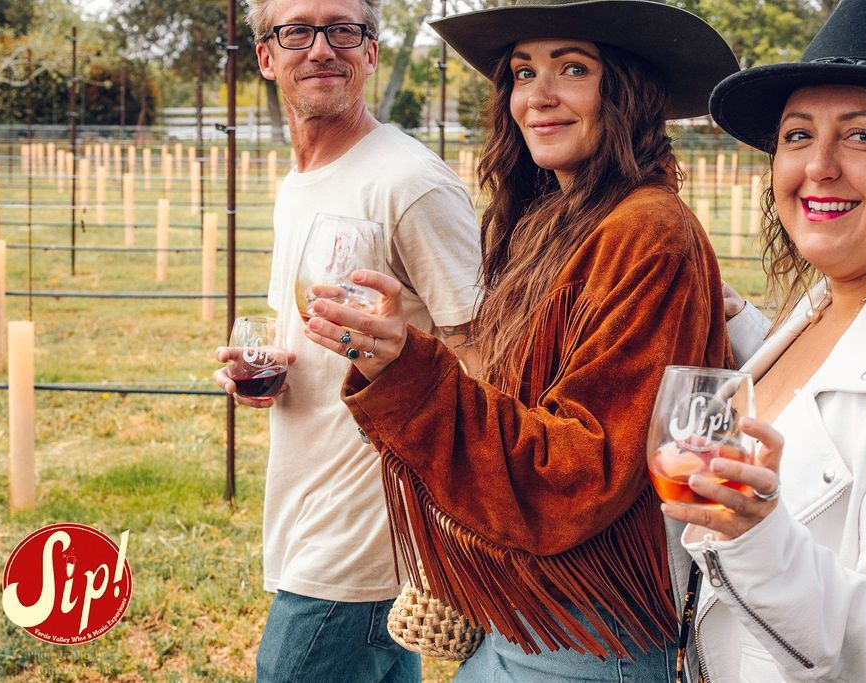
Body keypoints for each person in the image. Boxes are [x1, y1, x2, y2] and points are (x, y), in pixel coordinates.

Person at [300, 0, 740, 678]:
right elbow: (508, 394)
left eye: (573, 68)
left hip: (586, 630)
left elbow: (579, 470)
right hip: (524, 610)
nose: (540, 95)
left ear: (624, 88)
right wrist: (391, 356)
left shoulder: (646, 229)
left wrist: (411, 371)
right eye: (524, 71)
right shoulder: (546, 220)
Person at [661, 0, 866, 680]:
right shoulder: (821, 305)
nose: (818, 166)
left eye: (864, 137)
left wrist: (760, 539)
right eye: (797, 135)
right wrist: (736, 327)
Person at [213, 0, 482, 679]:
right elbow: (323, 331)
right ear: (267, 56)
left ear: (371, 51)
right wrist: (276, 366)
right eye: (298, 31)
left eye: (343, 30)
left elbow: (489, 355)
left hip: (368, 525)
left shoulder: (410, 183)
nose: (322, 48)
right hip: (308, 499)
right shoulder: (298, 183)